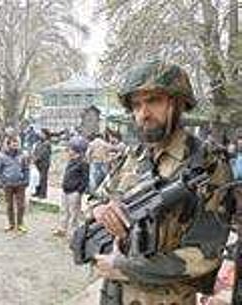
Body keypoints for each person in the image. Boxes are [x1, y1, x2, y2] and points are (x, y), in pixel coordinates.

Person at [89, 59, 233, 305]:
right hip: (114, 296)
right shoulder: (132, 157)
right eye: (136, 104)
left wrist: (126, 267)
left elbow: (206, 254)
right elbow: (96, 199)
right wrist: (99, 211)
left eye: (153, 101)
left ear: (177, 103)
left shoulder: (208, 165)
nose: (143, 113)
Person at [52, 136, 89, 238]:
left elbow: (85, 179)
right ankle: (62, 229)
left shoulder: (83, 163)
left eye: (71, 149)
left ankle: (74, 233)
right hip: (66, 190)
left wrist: (79, 191)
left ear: (77, 150)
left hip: (74, 192)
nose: (69, 151)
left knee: (74, 213)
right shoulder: (71, 161)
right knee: (64, 210)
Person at [0, 135, 30, 233]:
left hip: (20, 184)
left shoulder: (23, 155)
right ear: (8, 144)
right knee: (9, 205)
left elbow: (26, 168)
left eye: (17, 143)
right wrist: (0, 182)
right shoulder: (1, 155)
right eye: (13, 143)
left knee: (21, 205)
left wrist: (27, 180)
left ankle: (20, 224)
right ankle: (11, 224)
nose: (15, 145)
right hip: (7, 184)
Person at [32, 128, 52, 198]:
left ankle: (43, 194)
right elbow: (35, 151)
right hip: (38, 163)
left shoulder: (47, 144)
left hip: (44, 164)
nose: (40, 134)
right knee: (37, 178)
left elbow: (43, 154)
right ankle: (37, 191)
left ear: (46, 135)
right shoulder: (39, 143)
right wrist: (34, 157)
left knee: (43, 179)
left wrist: (36, 159)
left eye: (42, 133)